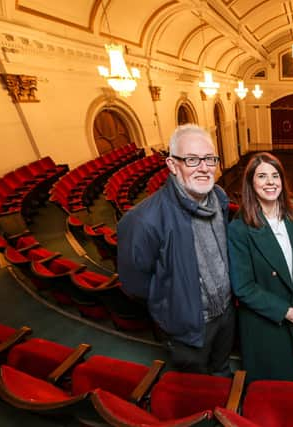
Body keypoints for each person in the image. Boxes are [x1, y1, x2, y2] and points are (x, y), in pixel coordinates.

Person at [117, 124, 234, 376]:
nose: (204, 168)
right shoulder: (142, 220)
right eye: (192, 160)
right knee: (194, 384)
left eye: (209, 159)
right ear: (172, 165)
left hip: (226, 313)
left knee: (221, 368)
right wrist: (174, 304)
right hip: (187, 324)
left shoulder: (220, 198)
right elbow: (135, 286)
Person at [228, 152, 293, 383]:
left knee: (289, 375)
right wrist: (284, 311)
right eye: (262, 176)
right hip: (265, 319)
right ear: (250, 183)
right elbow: (243, 288)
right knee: (267, 384)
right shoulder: (239, 227)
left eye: (275, 175)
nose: (270, 182)